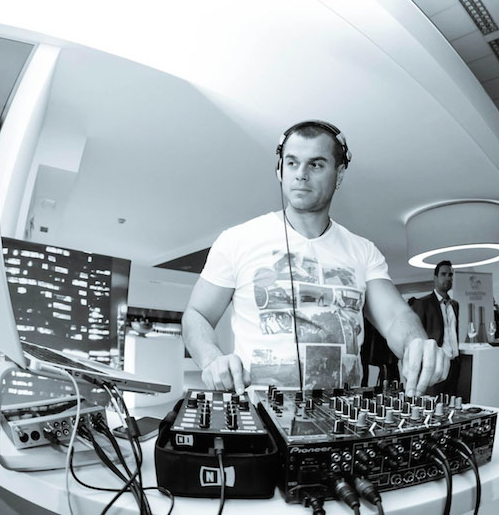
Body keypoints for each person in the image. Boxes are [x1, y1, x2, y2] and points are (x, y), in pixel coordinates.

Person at [181, 120, 449, 397]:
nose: (301, 174)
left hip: (343, 415)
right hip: (259, 413)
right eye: (292, 163)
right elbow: (197, 314)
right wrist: (211, 359)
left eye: (316, 164)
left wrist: (417, 342)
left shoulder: (363, 251)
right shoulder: (236, 240)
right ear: (280, 169)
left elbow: (395, 317)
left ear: (339, 174)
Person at [411, 261, 460, 395]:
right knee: (432, 403)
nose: (448, 278)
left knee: (451, 402)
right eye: (443, 274)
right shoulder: (422, 303)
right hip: (434, 364)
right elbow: (416, 337)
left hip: (454, 364)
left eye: (450, 275)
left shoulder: (455, 305)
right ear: (435, 278)